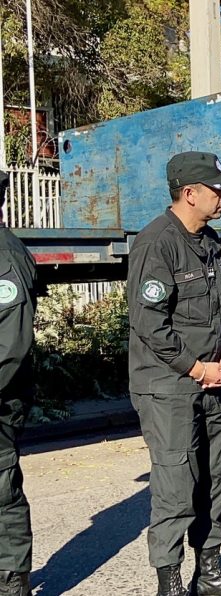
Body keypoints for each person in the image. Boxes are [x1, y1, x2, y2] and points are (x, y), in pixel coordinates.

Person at [127, 152, 221, 596]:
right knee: (176, 481)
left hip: (209, 380)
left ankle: (209, 572)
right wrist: (196, 366)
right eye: (216, 189)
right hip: (169, 384)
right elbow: (150, 324)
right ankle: (170, 581)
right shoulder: (156, 244)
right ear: (189, 193)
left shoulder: (207, 240)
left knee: (217, 475)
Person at [0, 171, 37, 596]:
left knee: (2, 490)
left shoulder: (6, 256)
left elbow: (10, 345)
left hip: (1, 398)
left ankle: (12, 583)